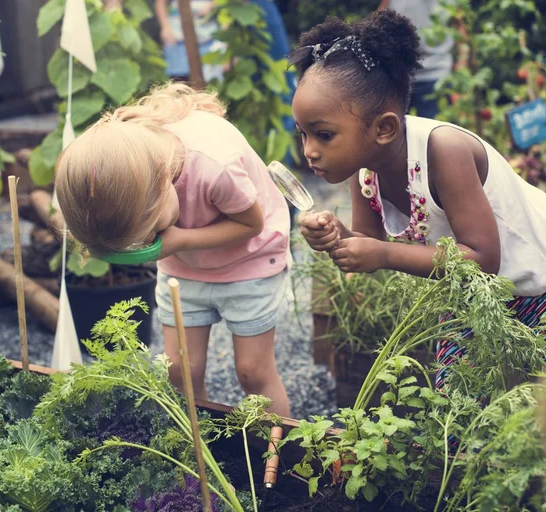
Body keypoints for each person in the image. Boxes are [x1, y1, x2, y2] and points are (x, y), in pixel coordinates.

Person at [293, 11, 546, 387]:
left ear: (384, 129)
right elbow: (368, 243)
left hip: (535, 283)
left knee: (523, 405)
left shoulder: (443, 151)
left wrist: (381, 256)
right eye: (303, 134)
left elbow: (481, 257)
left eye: (324, 135)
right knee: (457, 402)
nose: (309, 151)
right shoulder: (365, 170)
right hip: (478, 299)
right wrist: (334, 237)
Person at [55, 84, 292, 416]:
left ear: (165, 179)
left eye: (151, 231)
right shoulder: (125, 162)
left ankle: (278, 453)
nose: (152, 238)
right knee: (180, 371)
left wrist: (177, 241)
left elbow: (252, 225)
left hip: (250, 261)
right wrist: (172, 241)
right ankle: (199, 452)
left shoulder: (215, 166)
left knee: (252, 373)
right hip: (183, 267)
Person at [378, 0, 455, 119]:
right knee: (392, 131)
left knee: (432, 132)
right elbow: (379, 20)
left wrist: (461, 70)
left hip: (436, 74)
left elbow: (461, 29)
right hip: (398, 75)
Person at [155, 0, 225, 82]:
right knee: (178, 79)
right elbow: (160, 3)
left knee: (208, 78)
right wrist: (165, 27)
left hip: (208, 38)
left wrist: (213, 4)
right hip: (177, 37)